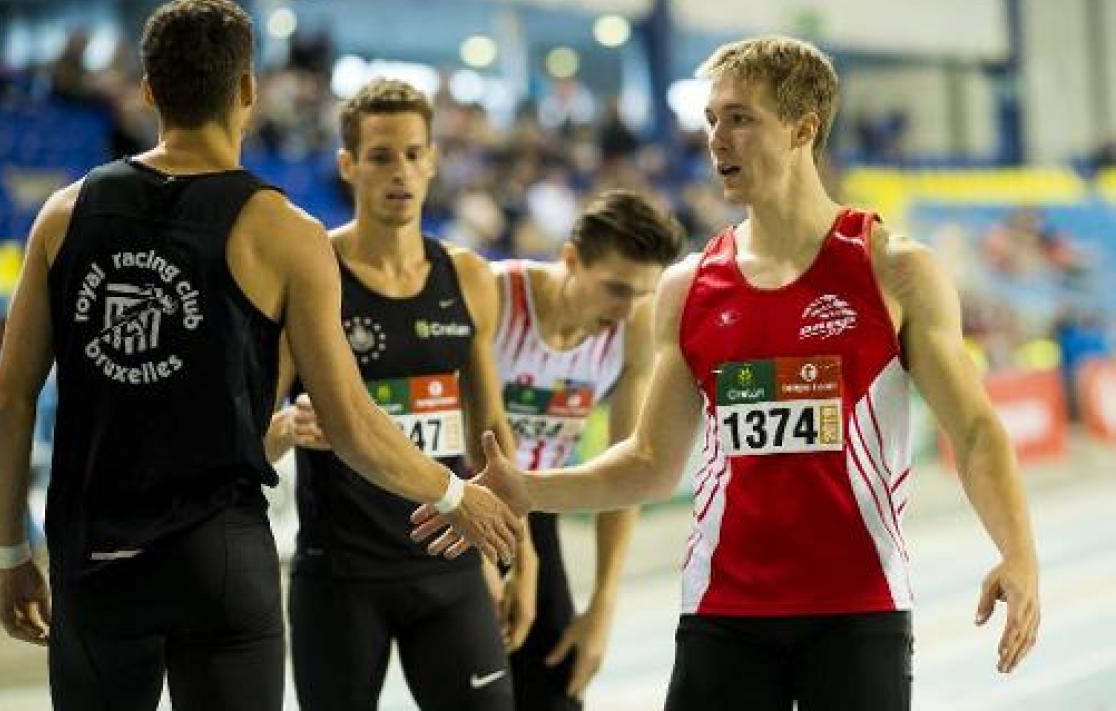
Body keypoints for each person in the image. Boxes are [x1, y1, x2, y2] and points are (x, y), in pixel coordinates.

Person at [414, 35, 1041, 710]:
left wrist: (1018, 552)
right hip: (723, 614)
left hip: (858, 612)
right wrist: (526, 489)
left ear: (804, 129)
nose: (716, 138)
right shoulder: (689, 287)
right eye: (711, 119)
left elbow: (975, 431)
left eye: (740, 117)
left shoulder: (892, 270)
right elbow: (652, 461)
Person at [0, 0, 518, 711]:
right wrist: (456, 493)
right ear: (247, 91)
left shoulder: (65, 213)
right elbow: (352, 423)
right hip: (221, 558)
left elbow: (10, 401)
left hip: (97, 556)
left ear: (148, 92)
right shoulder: (288, 233)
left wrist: (10, 553)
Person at [263, 78, 533, 711]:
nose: (400, 172)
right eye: (382, 156)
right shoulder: (311, 272)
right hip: (340, 578)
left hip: (450, 566)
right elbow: (255, 425)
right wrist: (284, 430)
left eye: (414, 154)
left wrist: (523, 557)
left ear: (434, 160)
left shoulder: (467, 274)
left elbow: (490, 427)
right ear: (348, 164)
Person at [493, 189, 683, 709]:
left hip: (535, 515)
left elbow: (631, 466)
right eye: (616, 290)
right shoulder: (496, 295)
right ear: (571, 259)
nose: (626, 311)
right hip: (456, 513)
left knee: (559, 691)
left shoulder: (632, 328)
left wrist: (602, 606)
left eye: (641, 294)